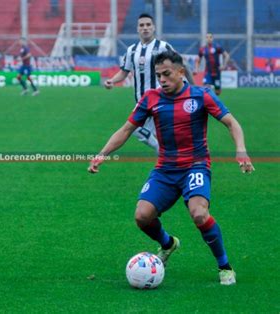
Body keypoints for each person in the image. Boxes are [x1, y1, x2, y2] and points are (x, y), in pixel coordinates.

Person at [89, 50, 254, 285]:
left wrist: (241, 150)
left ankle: (224, 266)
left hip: (195, 166)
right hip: (165, 169)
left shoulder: (201, 96)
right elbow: (126, 129)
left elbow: (231, 122)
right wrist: (102, 155)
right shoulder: (151, 98)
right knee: (142, 217)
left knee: (199, 213)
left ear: (180, 71)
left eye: (166, 74)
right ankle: (168, 244)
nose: (162, 80)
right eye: (158, 75)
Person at [105, 13, 193, 152]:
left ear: (154, 28)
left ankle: (168, 153)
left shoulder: (163, 46)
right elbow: (124, 72)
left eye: (148, 25)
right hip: (141, 101)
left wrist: (191, 88)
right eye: (142, 25)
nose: (145, 28)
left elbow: (180, 65)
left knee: (134, 129)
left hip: (161, 98)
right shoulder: (131, 50)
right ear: (137, 29)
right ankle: (167, 153)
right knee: (140, 130)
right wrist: (112, 80)